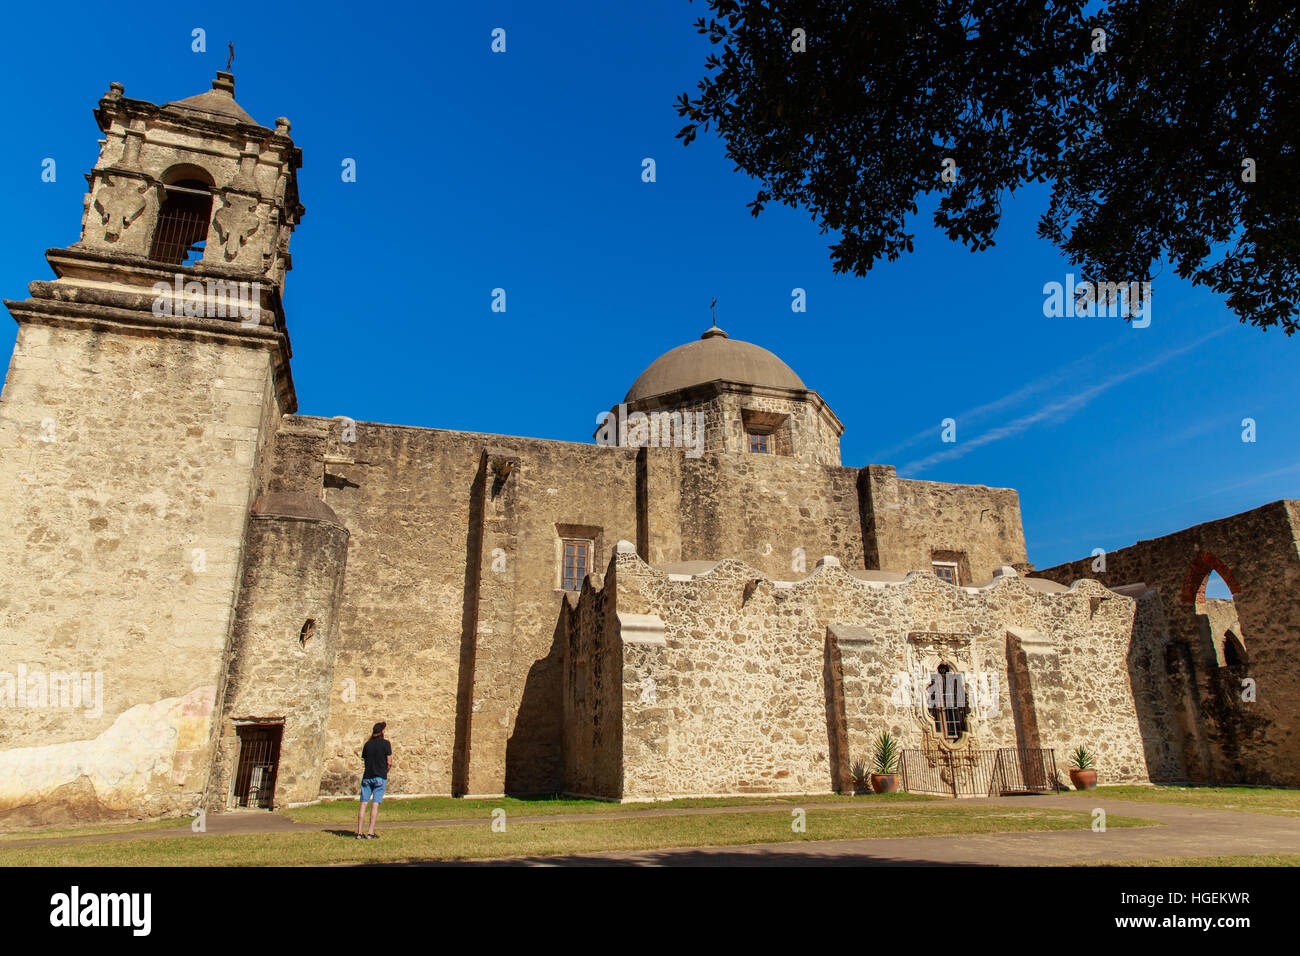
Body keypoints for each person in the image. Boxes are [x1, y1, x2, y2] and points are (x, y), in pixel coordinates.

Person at [356, 721, 392, 839]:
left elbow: (365, 760)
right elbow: (389, 762)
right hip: (380, 777)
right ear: (382, 732)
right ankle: (370, 832)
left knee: (363, 804)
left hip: (367, 777)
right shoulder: (386, 744)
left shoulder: (367, 744)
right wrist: (385, 771)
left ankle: (359, 832)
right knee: (375, 805)